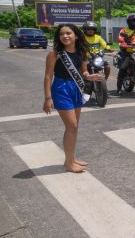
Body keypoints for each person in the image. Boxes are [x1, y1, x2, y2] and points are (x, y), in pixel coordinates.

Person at [42, 24, 104, 173]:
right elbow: (48, 76)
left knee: (74, 128)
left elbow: (83, 71)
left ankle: (70, 159)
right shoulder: (55, 54)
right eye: (62, 34)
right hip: (61, 89)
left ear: (75, 35)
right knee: (72, 126)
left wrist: (90, 76)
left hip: (76, 88)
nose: (65, 36)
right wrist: (48, 98)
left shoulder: (81, 52)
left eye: (68, 33)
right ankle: (69, 164)